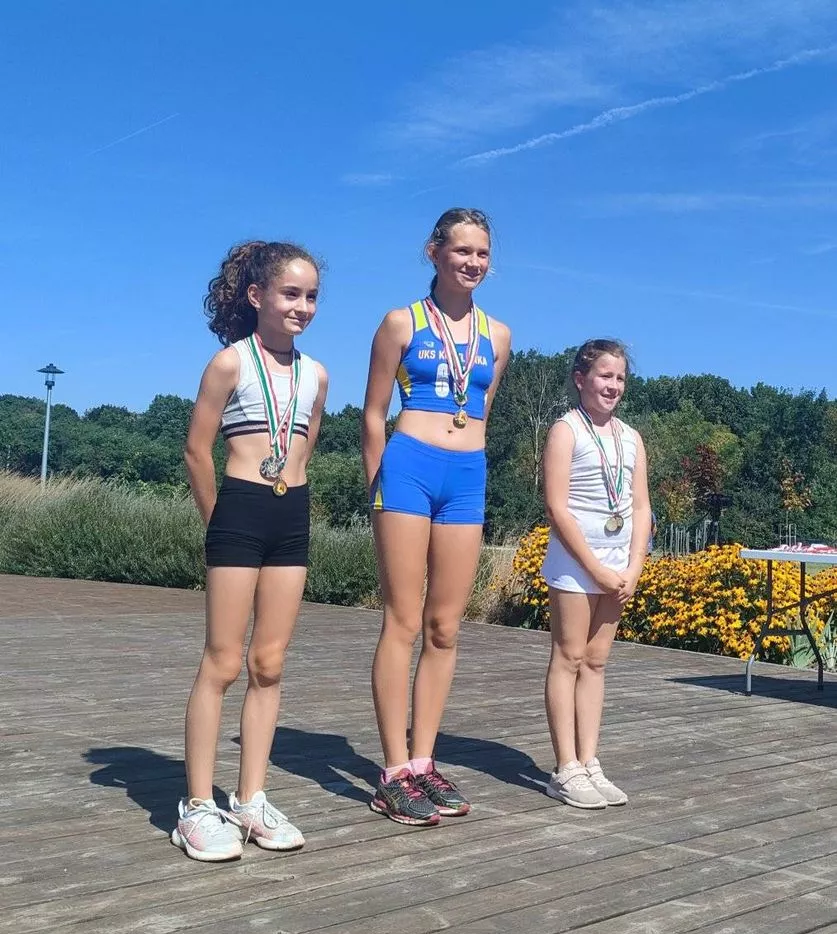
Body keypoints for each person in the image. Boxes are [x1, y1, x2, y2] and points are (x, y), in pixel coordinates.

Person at [173, 241, 328, 861]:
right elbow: (196, 449)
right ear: (257, 295)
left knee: (269, 663)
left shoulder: (316, 375)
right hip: (237, 510)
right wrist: (220, 520)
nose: (302, 306)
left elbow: (305, 446)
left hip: (291, 514)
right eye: (291, 293)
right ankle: (196, 806)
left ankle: (250, 798)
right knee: (223, 662)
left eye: (311, 296)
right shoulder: (229, 362)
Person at [361, 208, 511, 826]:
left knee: (445, 626)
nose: (472, 262)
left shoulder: (498, 335)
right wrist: (378, 484)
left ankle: (424, 761)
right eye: (462, 250)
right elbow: (373, 413)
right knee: (402, 620)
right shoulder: (401, 322)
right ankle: (393, 771)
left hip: (466, 475)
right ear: (434, 251)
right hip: (409, 469)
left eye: (482, 253)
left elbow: (483, 409)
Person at [540, 339, 650, 809]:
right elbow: (556, 507)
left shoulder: (631, 437)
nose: (613, 385)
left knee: (597, 661)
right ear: (581, 379)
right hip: (576, 563)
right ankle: (565, 768)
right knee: (569, 656)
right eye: (605, 375)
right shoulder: (566, 430)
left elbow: (641, 507)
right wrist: (595, 569)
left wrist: (633, 566)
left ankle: (589, 760)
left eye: (620, 377)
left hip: (619, 564)